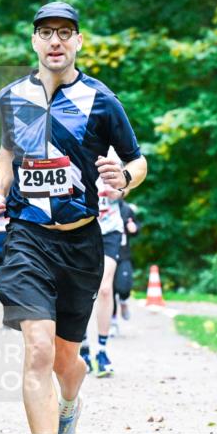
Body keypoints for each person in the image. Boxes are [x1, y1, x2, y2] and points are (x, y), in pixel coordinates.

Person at [0, 1, 147, 434]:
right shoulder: (13, 98)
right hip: (28, 236)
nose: (55, 40)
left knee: (67, 361)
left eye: (65, 33)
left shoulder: (101, 100)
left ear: (78, 42)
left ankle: (70, 405)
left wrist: (125, 179)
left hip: (80, 242)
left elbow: (137, 160)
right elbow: (8, 152)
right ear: (34, 41)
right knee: (36, 350)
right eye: (46, 32)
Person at [80, 160, 124, 377]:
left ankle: (102, 351)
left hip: (111, 231)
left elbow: (127, 180)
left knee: (105, 288)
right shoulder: (73, 142)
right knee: (82, 290)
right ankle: (84, 348)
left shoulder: (112, 150)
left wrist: (120, 191)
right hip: (83, 230)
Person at [114, 196, 141, 323]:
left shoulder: (126, 208)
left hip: (123, 254)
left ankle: (124, 301)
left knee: (124, 287)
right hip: (104, 254)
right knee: (108, 290)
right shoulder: (98, 206)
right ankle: (112, 321)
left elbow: (136, 227)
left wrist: (133, 228)